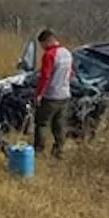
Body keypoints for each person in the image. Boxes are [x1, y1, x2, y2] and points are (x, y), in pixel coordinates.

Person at [32, 28, 73, 158]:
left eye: (42, 45)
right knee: (59, 124)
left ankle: (39, 150)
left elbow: (45, 76)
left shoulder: (50, 55)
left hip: (51, 96)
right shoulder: (67, 53)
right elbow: (71, 73)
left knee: (41, 123)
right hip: (65, 94)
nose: (42, 48)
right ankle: (59, 151)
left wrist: (38, 94)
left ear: (47, 41)